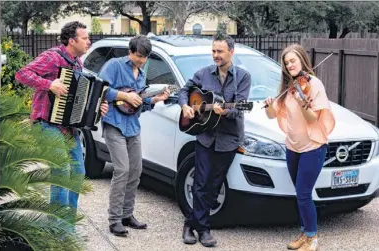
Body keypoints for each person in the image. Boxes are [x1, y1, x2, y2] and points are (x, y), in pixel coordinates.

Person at [15, 21, 109, 215]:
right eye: (85, 38)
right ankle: (59, 230)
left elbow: (80, 100)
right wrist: (49, 85)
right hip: (46, 124)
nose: (89, 42)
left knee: (77, 173)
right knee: (62, 172)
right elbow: (22, 74)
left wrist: (99, 108)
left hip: (68, 127)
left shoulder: (77, 63)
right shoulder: (52, 57)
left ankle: (68, 224)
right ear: (72, 41)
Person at [178, 34, 251, 247]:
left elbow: (239, 108)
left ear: (231, 52)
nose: (216, 55)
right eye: (214, 51)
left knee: (214, 184)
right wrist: (185, 105)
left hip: (228, 139)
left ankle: (190, 223)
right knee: (200, 182)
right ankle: (204, 229)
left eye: (220, 51)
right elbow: (184, 91)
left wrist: (224, 112)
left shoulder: (243, 77)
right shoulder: (203, 74)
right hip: (206, 137)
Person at [263, 44, 335, 251]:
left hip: (313, 147)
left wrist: (304, 104)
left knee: (303, 194)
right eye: (286, 63)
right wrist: (269, 105)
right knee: (300, 194)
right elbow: (271, 114)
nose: (289, 65)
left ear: (303, 60)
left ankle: (312, 239)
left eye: (293, 61)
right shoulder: (288, 87)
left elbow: (314, 118)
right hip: (292, 147)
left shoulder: (314, 84)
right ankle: (305, 233)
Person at [98, 35, 170, 237]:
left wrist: (156, 99)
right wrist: (123, 95)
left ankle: (127, 215)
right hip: (114, 124)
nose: (140, 60)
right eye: (138, 55)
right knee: (122, 169)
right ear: (130, 52)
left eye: (144, 57)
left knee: (136, 170)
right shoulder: (114, 65)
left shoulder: (141, 76)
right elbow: (100, 89)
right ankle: (114, 220)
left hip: (133, 126)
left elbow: (137, 105)